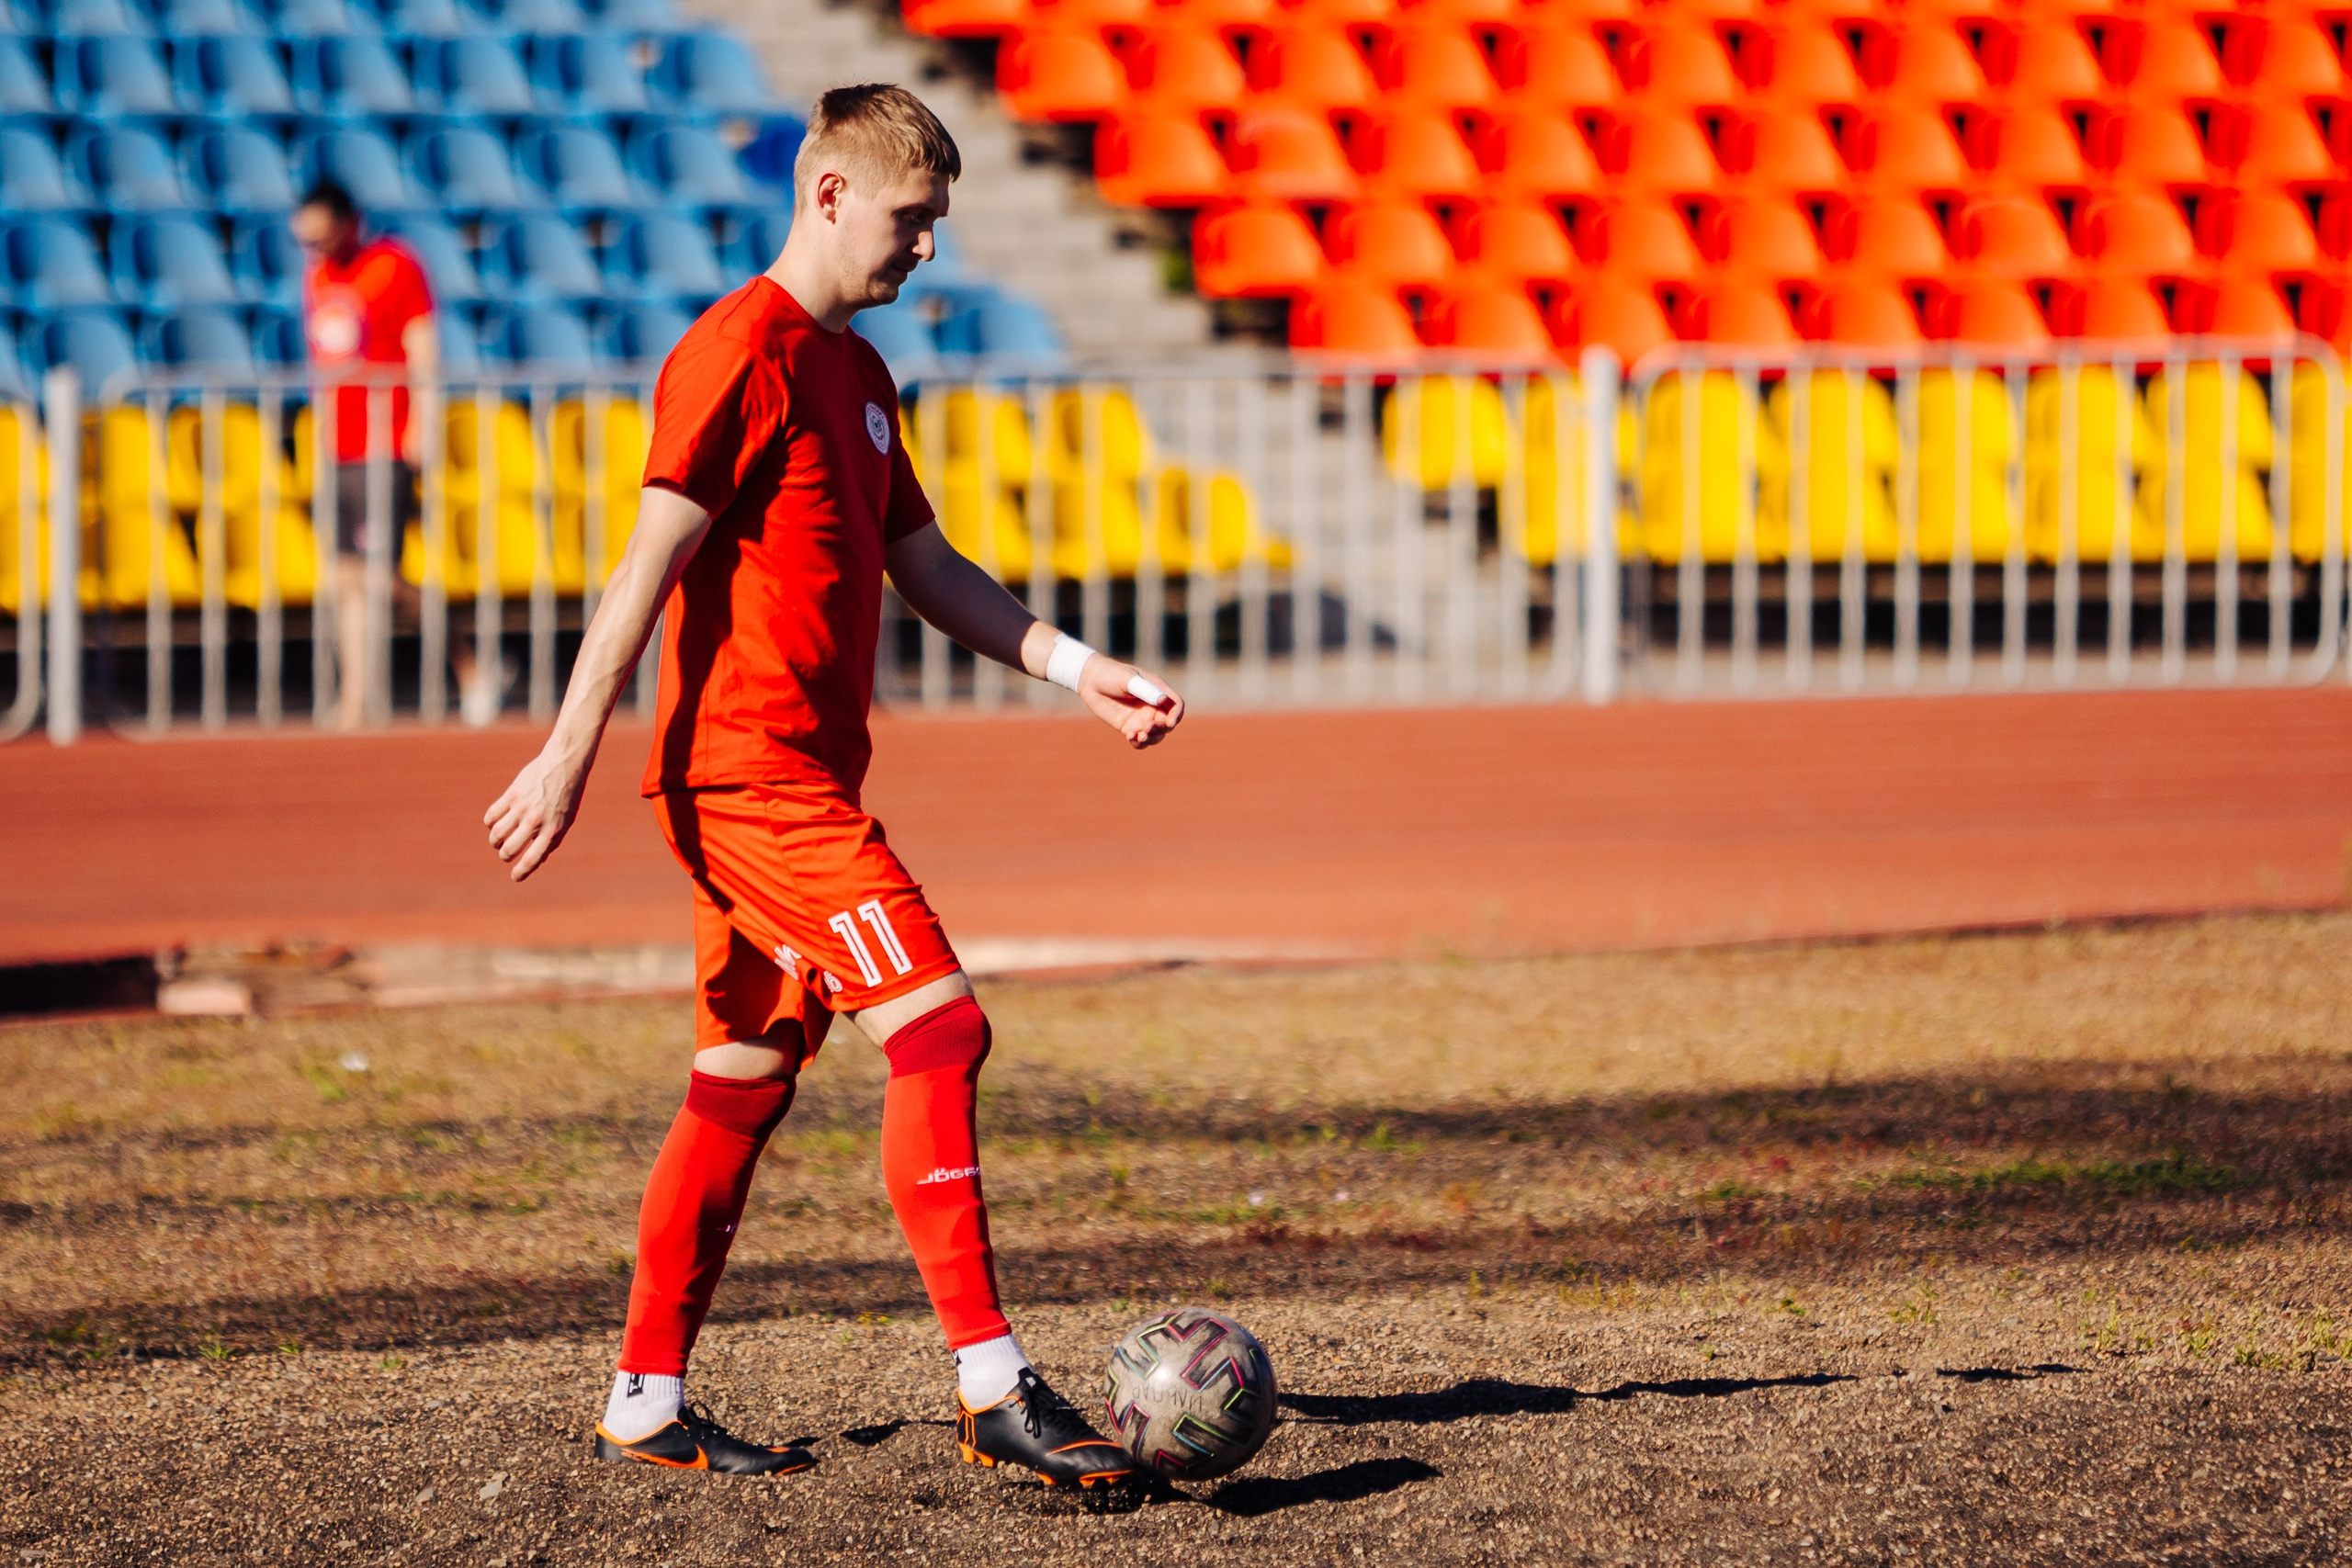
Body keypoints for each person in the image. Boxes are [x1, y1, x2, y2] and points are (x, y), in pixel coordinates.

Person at [481, 84, 1182, 1485]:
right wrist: (567, 747)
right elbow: (646, 566)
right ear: (828, 194)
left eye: (938, 225)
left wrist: (1076, 664)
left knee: (742, 1077)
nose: (927, 249)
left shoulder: (859, 375)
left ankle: (643, 1395)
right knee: (940, 1028)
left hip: (792, 779)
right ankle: (993, 1382)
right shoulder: (739, 349)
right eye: (912, 220)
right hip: (748, 785)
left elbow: (924, 568)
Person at [292, 180, 485, 727]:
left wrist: (421, 421)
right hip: (339, 445)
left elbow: (421, 345)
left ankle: (468, 664)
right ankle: (356, 697)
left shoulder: (396, 265)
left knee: (380, 574)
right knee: (344, 574)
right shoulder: (319, 275)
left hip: (385, 438)